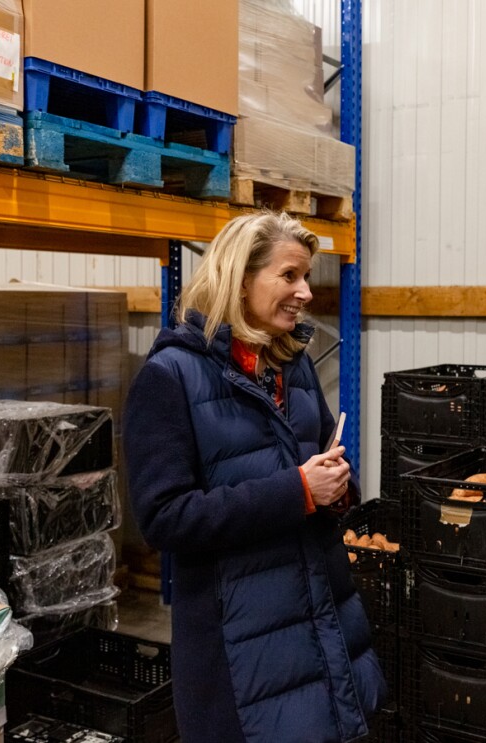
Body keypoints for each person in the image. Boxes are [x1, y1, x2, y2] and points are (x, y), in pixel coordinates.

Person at [123, 212, 386, 742]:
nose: (306, 292)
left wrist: (335, 488)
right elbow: (165, 518)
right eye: (289, 276)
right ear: (240, 279)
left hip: (323, 622)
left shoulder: (293, 365)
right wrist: (298, 492)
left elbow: (318, 469)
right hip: (244, 647)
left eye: (306, 277)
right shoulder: (171, 376)